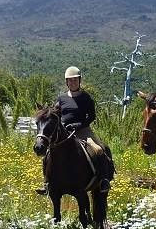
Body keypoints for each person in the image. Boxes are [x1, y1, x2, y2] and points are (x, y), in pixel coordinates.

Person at [36, 66, 115, 195]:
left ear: (79, 81)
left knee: (99, 149)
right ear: (66, 82)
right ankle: (47, 183)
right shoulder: (61, 98)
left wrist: (80, 125)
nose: (72, 83)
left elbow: (92, 116)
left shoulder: (86, 97)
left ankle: (103, 180)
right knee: (48, 154)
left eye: (75, 80)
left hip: (83, 130)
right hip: (64, 131)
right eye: (70, 80)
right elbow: (55, 113)